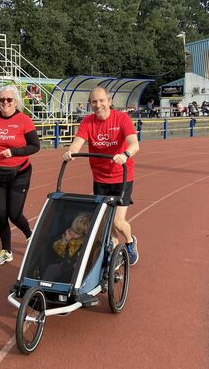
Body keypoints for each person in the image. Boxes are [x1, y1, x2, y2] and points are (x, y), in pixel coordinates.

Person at [63, 86, 140, 265]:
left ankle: (130, 242)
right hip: (100, 178)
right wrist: (70, 152)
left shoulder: (122, 118)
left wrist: (125, 155)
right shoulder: (88, 122)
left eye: (101, 101)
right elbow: (77, 143)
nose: (98, 105)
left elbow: (134, 144)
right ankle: (114, 251)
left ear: (109, 101)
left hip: (122, 176)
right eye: (94, 102)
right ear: (90, 104)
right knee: (105, 221)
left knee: (117, 222)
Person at [0, 86, 41, 266]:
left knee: (14, 214)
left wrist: (14, 152)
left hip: (19, 173)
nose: (5, 103)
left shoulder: (24, 120)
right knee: (0, 213)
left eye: (9, 99)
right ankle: (6, 250)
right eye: (1, 100)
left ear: (15, 101)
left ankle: (30, 235)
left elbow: (35, 146)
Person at [43, 212, 92, 282]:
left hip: (77, 268)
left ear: (84, 234)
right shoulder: (66, 236)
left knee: (81, 274)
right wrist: (65, 240)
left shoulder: (85, 243)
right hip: (65, 265)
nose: (72, 233)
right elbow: (57, 250)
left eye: (76, 233)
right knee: (51, 269)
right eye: (72, 229)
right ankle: (44, 287)